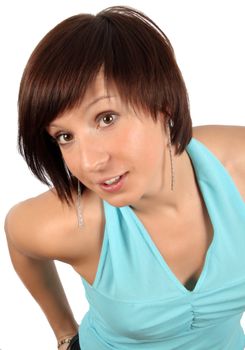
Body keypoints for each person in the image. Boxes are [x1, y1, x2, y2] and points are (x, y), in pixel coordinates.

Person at [4, 5, 245, 350]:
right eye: (65, 136)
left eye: (106, 118)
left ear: (164, 105)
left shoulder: (239, 168)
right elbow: (18, 237)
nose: (89, 163)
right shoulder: (71, 226)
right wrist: (64, 334)